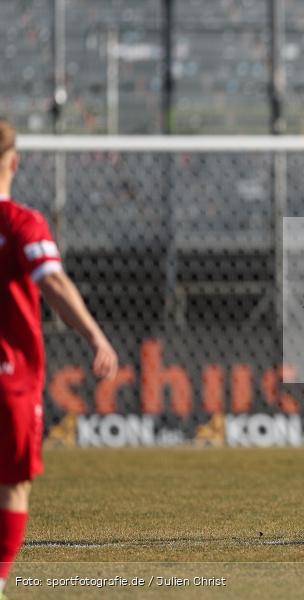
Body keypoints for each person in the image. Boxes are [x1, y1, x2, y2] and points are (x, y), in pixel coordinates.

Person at [0, 119, 118, 595]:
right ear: (14, 161)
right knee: (12, 484)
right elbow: (51, 280)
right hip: (10, 374)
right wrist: (94, 335)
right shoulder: (21, 223)